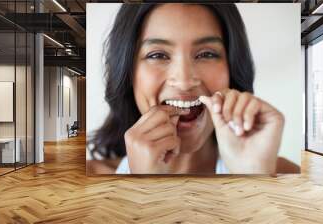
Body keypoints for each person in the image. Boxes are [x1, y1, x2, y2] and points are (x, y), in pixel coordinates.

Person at [90, 3, 296, 174]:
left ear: (232, 69)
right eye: (157, 55)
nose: (185, 81)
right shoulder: (88, 180)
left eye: (207, 54)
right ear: (127, 72)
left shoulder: (278, 174)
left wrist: (252, 184)